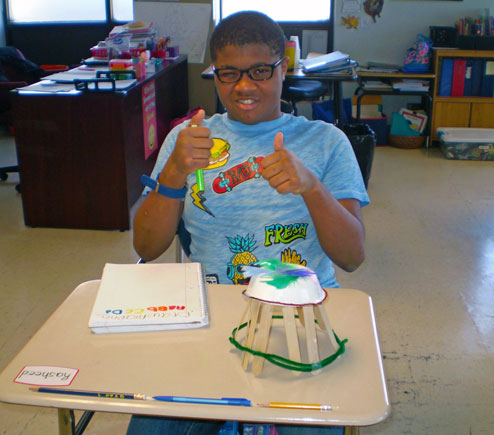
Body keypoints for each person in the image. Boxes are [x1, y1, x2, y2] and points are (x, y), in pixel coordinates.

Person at [129, 10, 369, 434]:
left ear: (284, 68)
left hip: (303, 318)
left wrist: (312, 187)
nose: (243, 87)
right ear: (214, 74)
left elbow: (352, 256)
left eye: (260, 71)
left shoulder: (327, 141)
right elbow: (147, 248)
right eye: (229, 74)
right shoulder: (187, 140)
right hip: (210, 317)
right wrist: (172, 175)